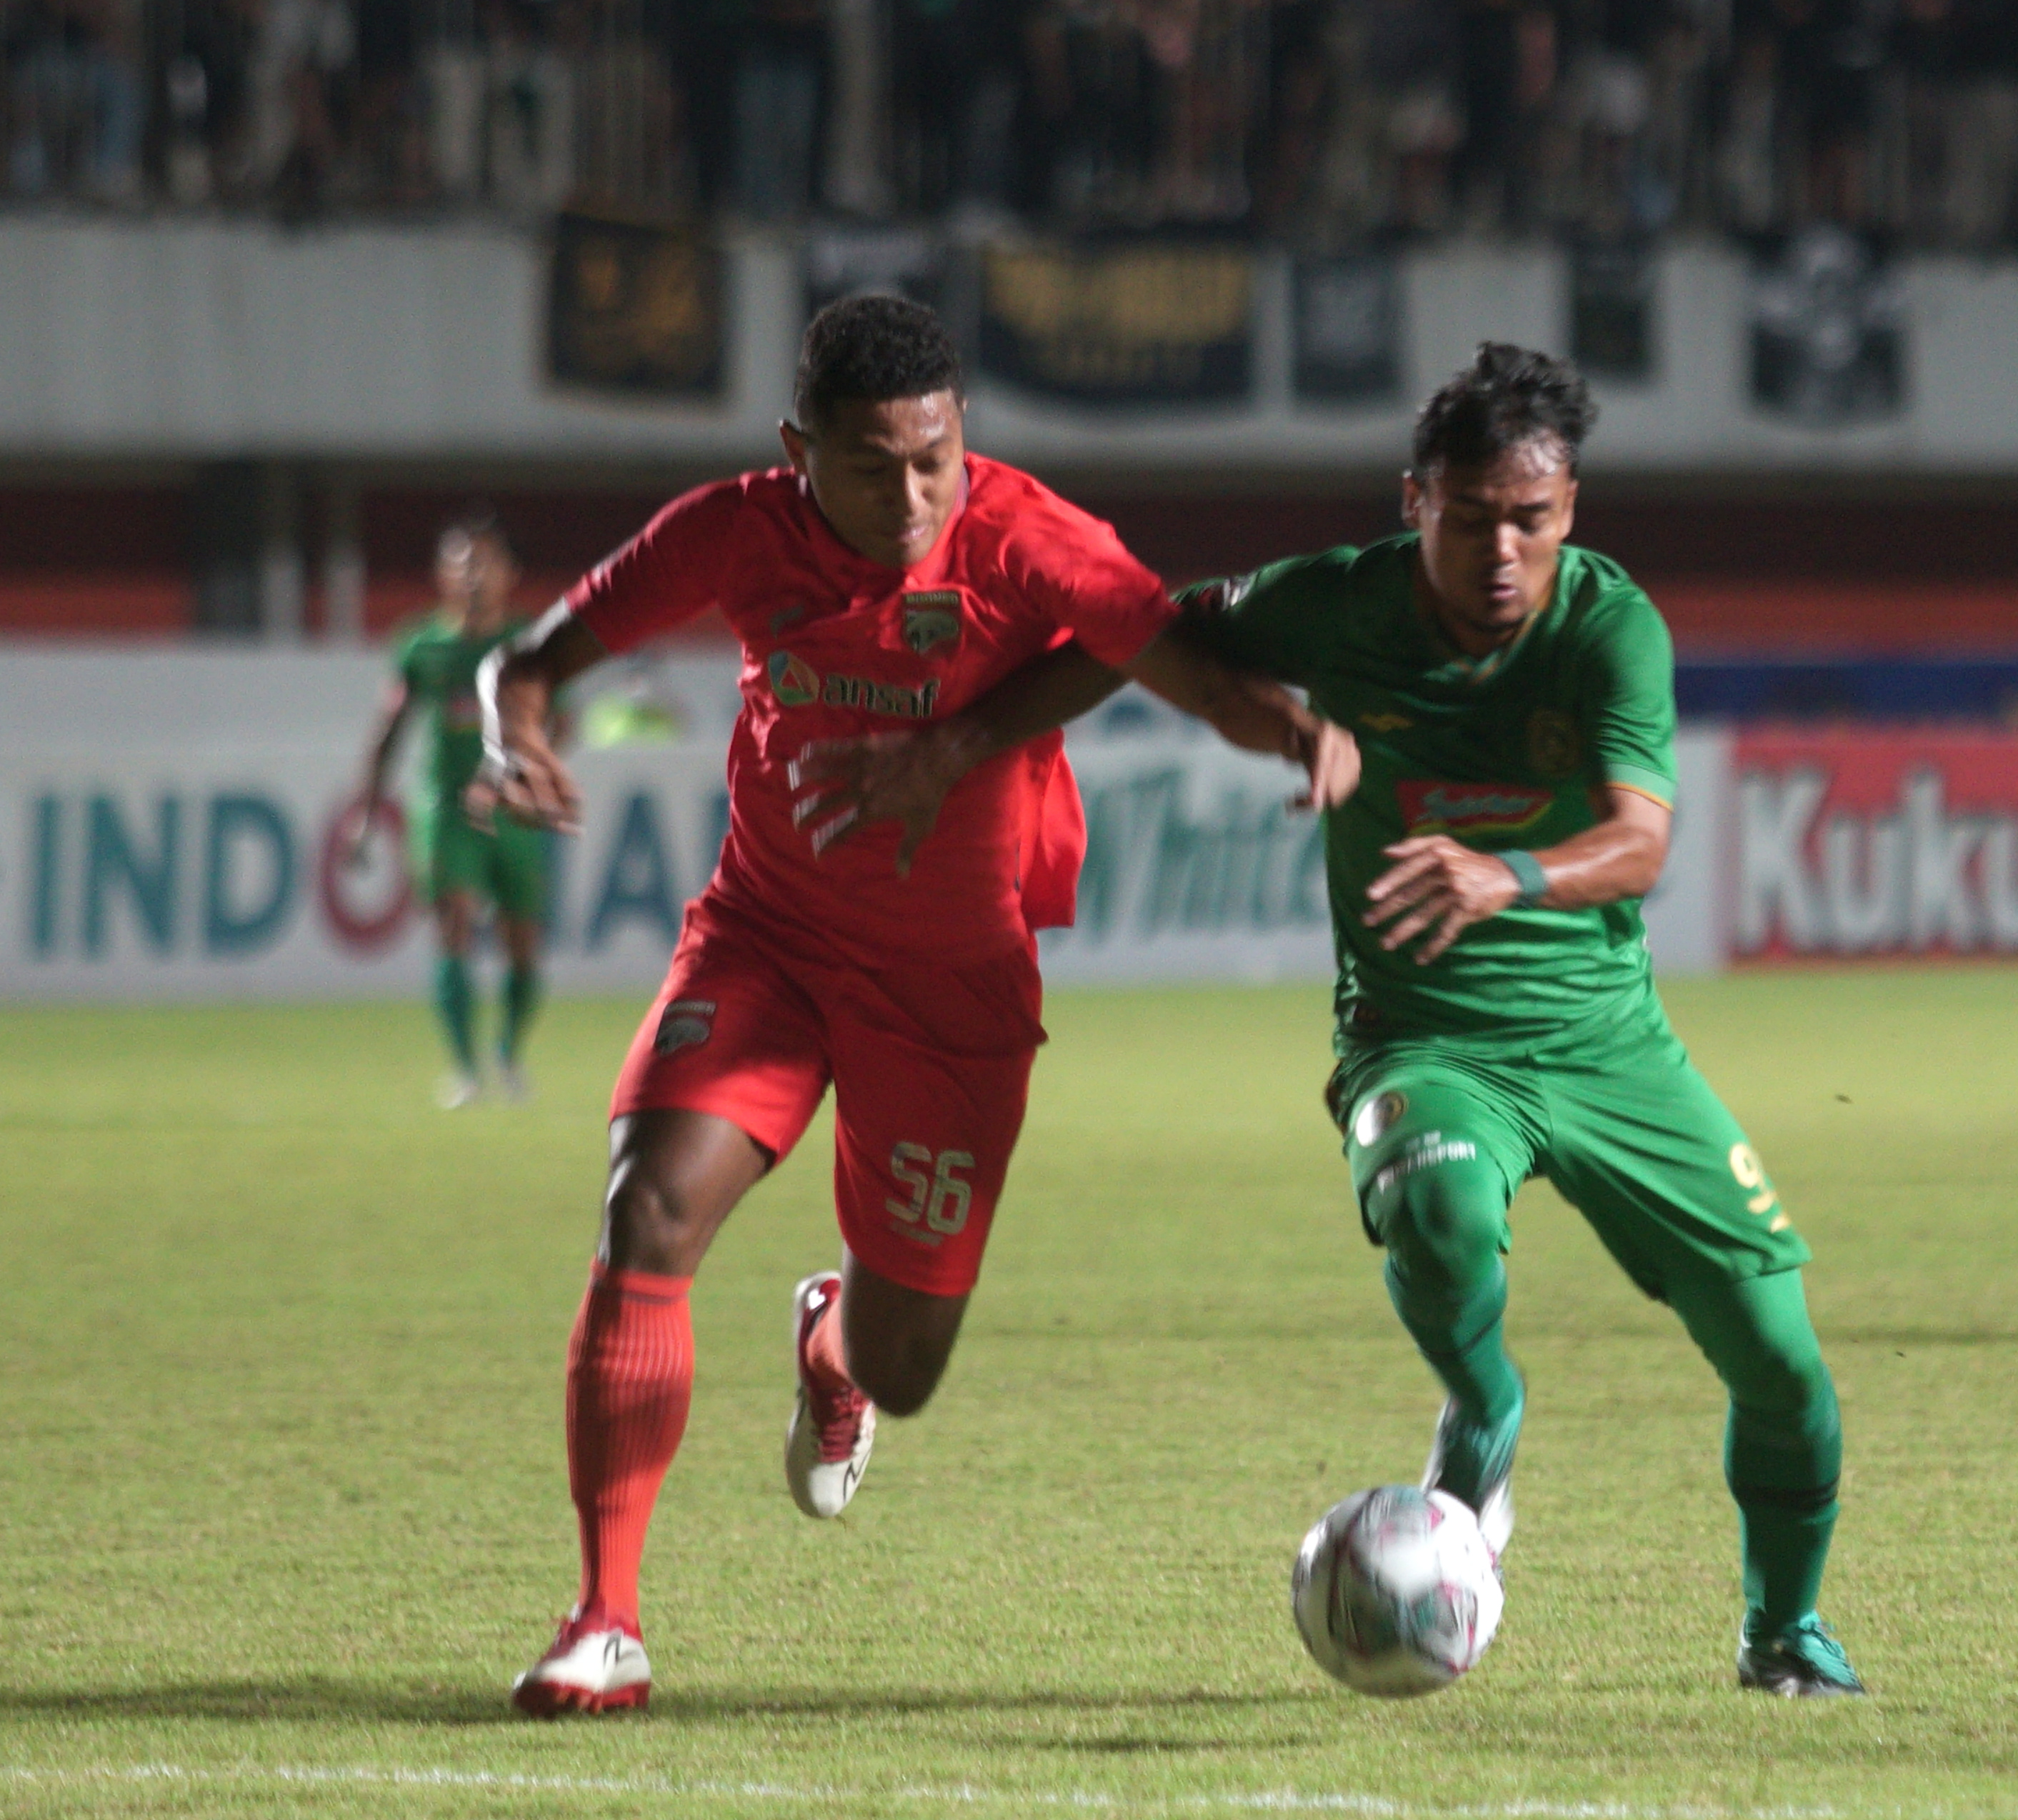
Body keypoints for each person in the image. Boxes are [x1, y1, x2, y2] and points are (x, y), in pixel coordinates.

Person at [479, 294, 1332, 1716]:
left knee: (905, 1362)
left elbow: (1170, 657)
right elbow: (532, 663)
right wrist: (515, 739)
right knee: (646, 1212)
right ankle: (604, 1619)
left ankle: (831, 1345)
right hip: (767, 939)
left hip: (950, 990)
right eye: (873, 467)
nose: (911, 495)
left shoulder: (1026, 535)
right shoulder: (731, 531)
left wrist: (1296, 730)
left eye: (934, 458)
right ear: (796, 448)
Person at [1138, 344, 1862, 1696]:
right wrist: (1279, 725)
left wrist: (1505, 875)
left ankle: (1783, 1629)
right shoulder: (1336, 605)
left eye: (1531, 518)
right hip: (1423, 1039)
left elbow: (1643, 842)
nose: (1501, 551)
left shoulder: (1608, 626)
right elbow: (1143, 625)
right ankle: (1485, 1410)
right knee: (1439, 1209)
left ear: (1569, 508)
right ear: (1415, 501)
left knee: (1784, 1365)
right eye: (1471, 518)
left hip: (1607, 1044)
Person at [356, 511, 548, 1107]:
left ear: (509, 573)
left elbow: (558, 719)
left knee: (521, 942)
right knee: (454, 926)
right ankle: (466, 1069)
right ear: (440, 573)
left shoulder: (529, 643)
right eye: (460, 563)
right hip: (444, 807)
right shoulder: (421, 645)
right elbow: (389, 728)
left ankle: (509, 1054)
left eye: (484, 562)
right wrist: (368, 810)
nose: (472, 575)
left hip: (514, 812)